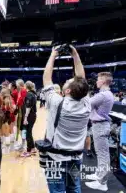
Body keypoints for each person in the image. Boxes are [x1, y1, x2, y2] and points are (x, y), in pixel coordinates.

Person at [42, 45, 91, 193]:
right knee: (74, 187)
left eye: (68, 81)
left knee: (57, 190)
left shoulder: (58, 103)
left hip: (56, 158)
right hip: (76, 157)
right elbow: (81, 78)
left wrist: (53, 55)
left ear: (67, 90)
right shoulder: (86, 103)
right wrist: (75, 54)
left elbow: (46, 78)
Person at [85, 72, 114, 192]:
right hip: (101, 125)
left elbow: (87, 104)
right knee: (101, 154)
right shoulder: (106, 94)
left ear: (102, 81)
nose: (96, 81)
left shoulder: (103, 95)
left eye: (98, 80)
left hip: (100, 126)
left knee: (102, 155)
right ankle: (98, 175)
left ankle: (102, 183)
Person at [20, 81, 37, 157]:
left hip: (29, 116)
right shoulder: (33, 93)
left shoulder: (29, 94)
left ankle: (29, 151)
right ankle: (33, 148)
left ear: (26, 86)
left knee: (27, 133)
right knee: (29, 132)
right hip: (32, 116)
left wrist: (25, 118)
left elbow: (28, 107)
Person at [15, 79, 27, 150]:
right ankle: (22, 143)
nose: (16, 86)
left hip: (23, 110)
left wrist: (16, 104)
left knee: (23, 128)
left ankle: (23, 144)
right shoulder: (20, 91)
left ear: (20, 85)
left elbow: (20, 101)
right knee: (20, 128)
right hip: (20, 110)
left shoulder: (23, 91)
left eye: (17, 85)